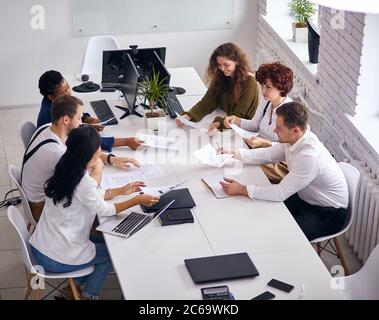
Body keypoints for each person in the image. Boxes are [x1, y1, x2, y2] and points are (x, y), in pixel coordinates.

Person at [29, 126, 159, 300]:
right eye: (98, 151)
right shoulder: (83, 180)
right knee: (111, 254)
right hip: (54, 256)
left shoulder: (65, 167)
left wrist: (122, 190)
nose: (100, 154)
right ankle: (88, 295)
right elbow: (106, 209)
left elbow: (89, 196)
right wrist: (136, 200)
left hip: (42, 244)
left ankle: (74, 285)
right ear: (88, 155)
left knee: (102, 239)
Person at [219, 102, 348, 241]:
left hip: (327, 213)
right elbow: (267, 155)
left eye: (279, 128)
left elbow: (280, 193)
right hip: (304, 197)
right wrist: (234, 153)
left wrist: (242, 189)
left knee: (281, 237)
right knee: (260, 212)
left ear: (296, 131)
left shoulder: (308, 156)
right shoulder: (294, 139)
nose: (274, 131)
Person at [22, 95, 140, 222]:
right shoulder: (56, 153)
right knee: (106, 221)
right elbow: (88, 187)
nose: (82, 123)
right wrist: (98, 168)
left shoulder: (48, 127)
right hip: (42, 209)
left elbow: (79, 150)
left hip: (42, 195)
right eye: (79, 118)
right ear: (66, 120)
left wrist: (111, 159)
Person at [37, 70, 143, 152]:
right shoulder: (53, 118)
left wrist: (89, 120)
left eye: (68, 88)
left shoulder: (55, 103)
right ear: (51, 97)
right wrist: (126, 142)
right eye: (64, 92)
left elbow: (71, 114)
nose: (69, 93)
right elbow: (84, 141)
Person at [224, 62, 294, 183]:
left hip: (277, 161)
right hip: (259, 151)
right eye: (262, 86)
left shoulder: (290, 112)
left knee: (239, 168)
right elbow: (254, 125)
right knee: (230, 159)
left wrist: (264, 142)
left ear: (281, 87)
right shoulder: (267, 101)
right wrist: (236, 120)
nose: (263, 90)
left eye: (268, 87)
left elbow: (290, 149)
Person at [176, 43, 260, 134]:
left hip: (241, 129)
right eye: (219, 64)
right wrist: (188, 116)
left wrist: (218, 124)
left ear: (237, 62)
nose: (222, 68)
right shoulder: (221, 74)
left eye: (226, 65)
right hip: (223, 116)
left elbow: (237, 115)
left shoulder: (250, 82)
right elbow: (207, 102)